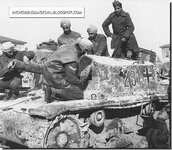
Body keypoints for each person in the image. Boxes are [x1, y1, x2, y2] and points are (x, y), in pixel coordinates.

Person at [9, 37, 93, 103]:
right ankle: (53, 92)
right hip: (56, 77)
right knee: (79, 94)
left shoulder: (66, 46)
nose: (85, 53)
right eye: (85, 51)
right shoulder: (72, 58)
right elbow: (71, 79)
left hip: (47, 71)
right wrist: (81, 80)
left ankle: (50, 88)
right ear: (82, 49)